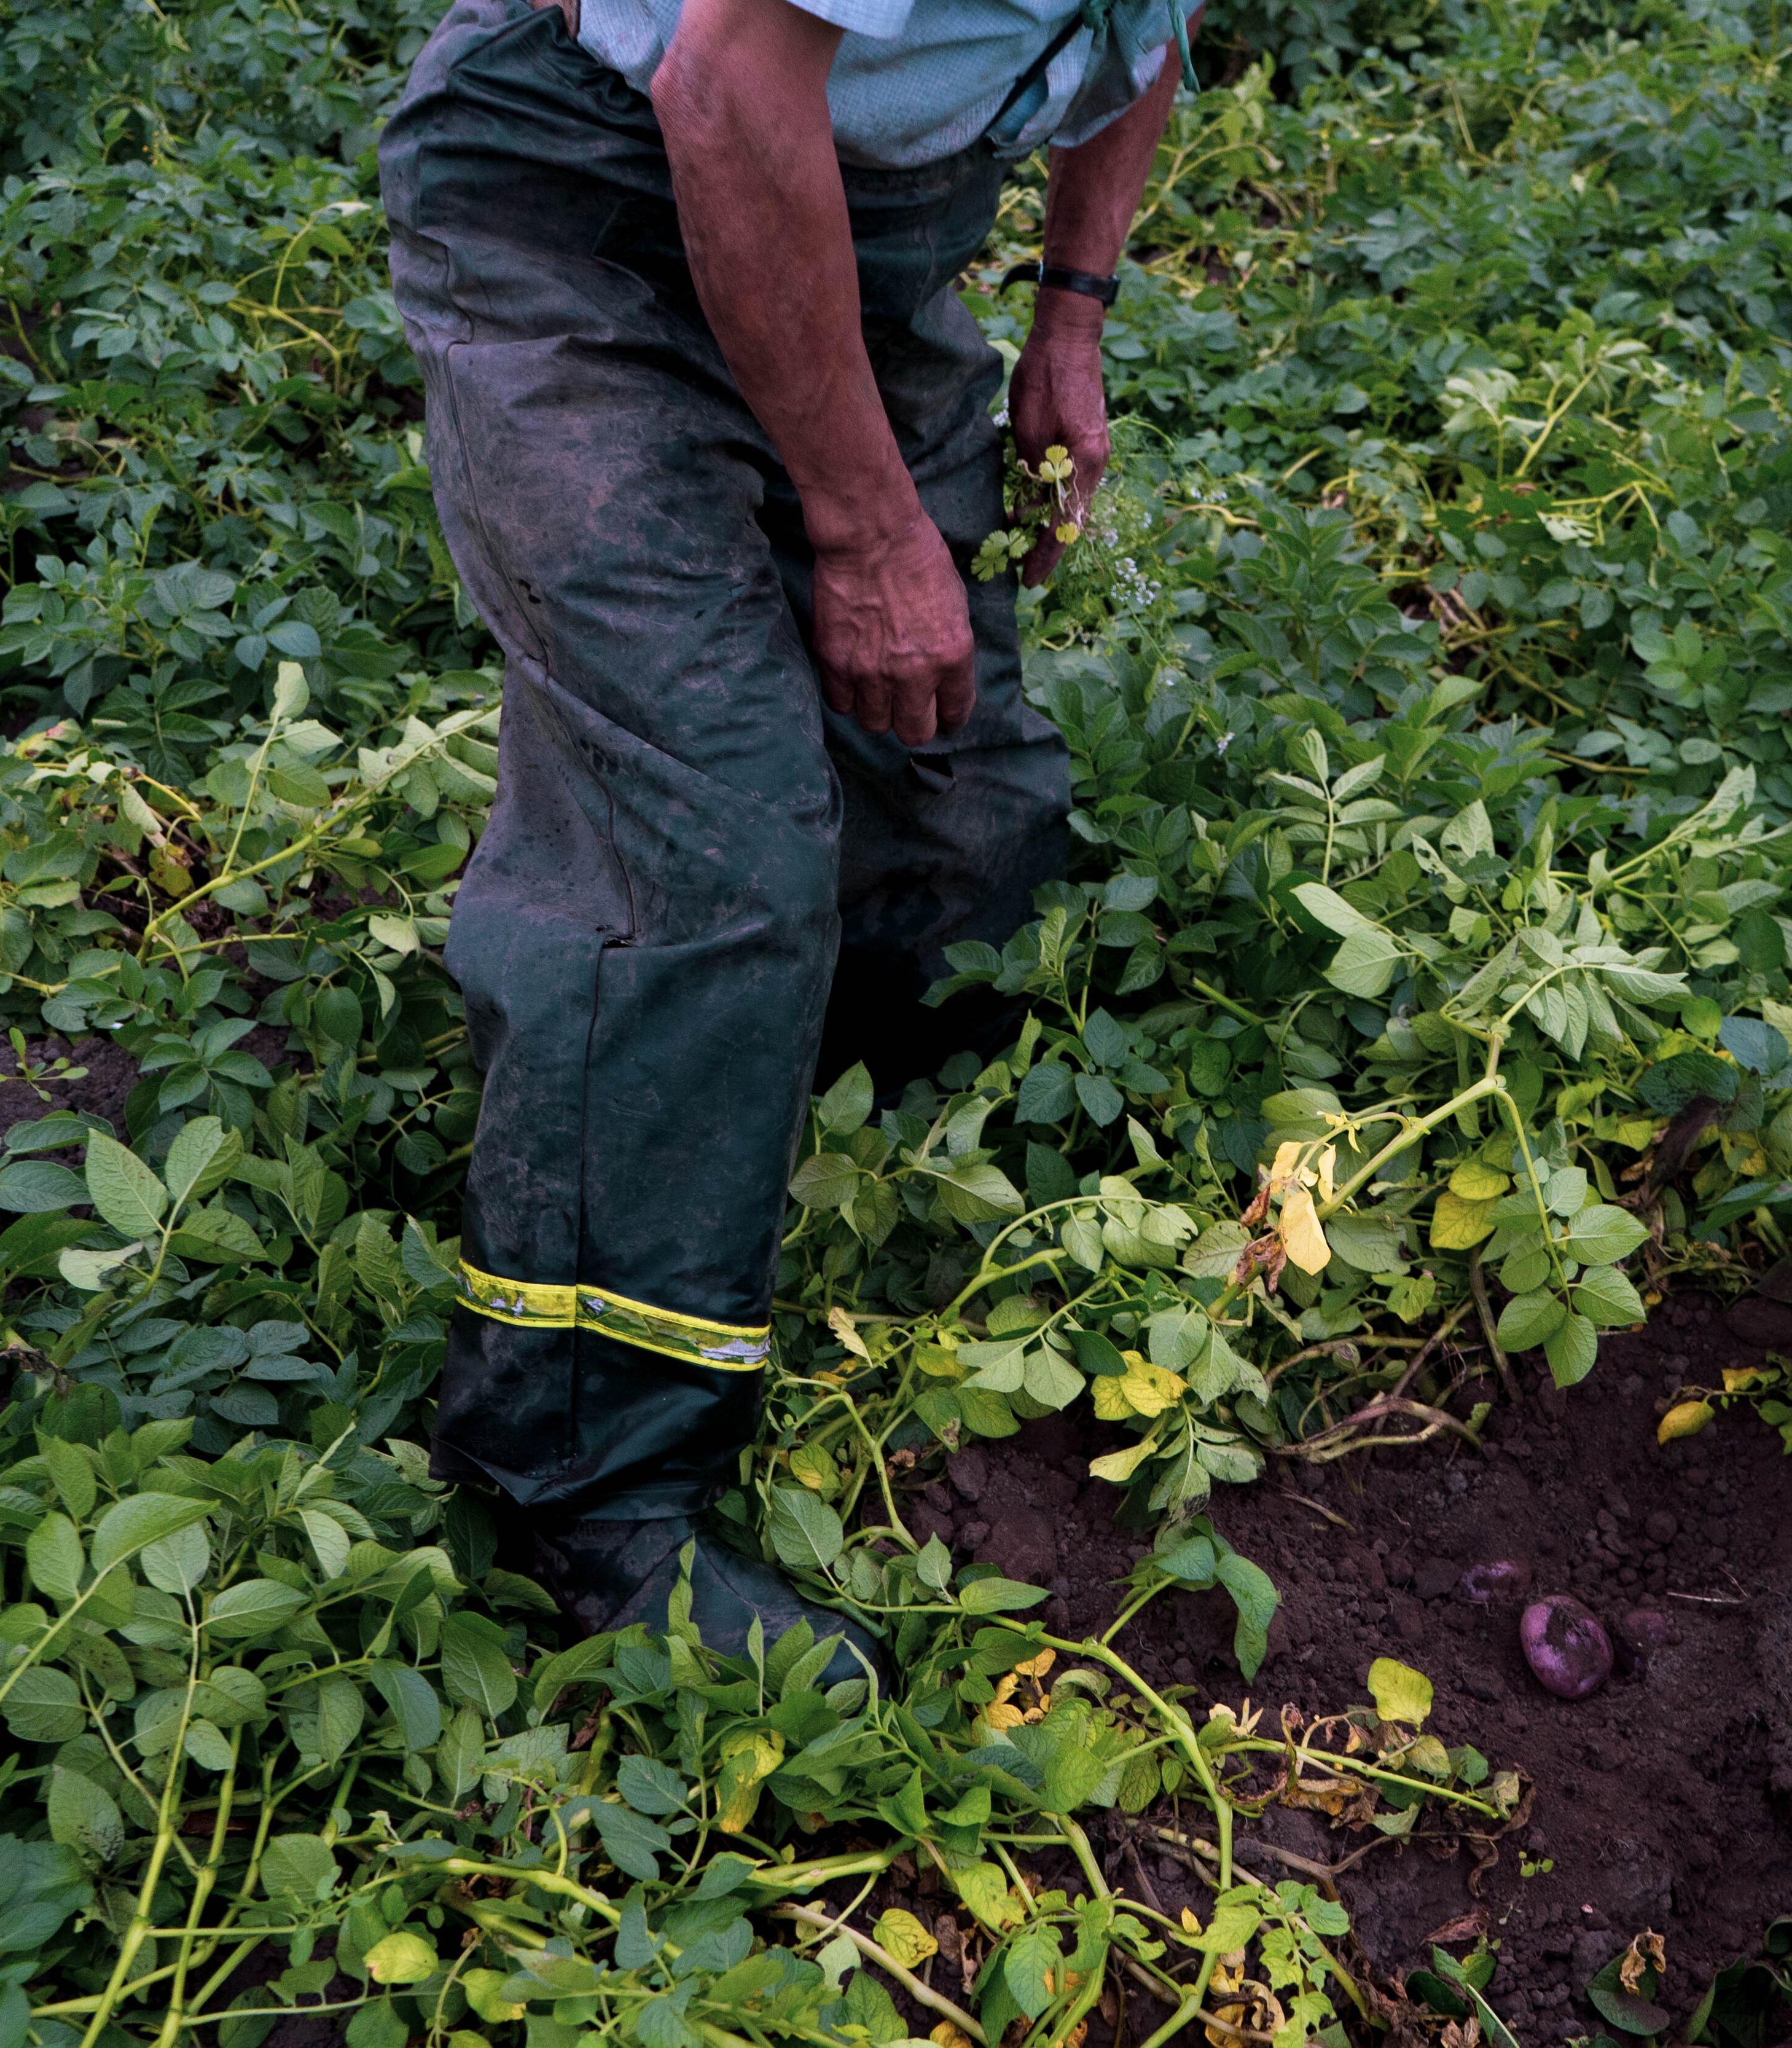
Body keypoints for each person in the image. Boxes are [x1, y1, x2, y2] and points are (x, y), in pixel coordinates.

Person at [378, 0, 1194, 1668]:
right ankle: (574, 1497)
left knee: (956, 802)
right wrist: (866, 526)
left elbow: (1156, 23)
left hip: (861, 225)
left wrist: (1074, 312)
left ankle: (848, 1175)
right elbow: (729, 92)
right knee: (709, 844)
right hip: (591, 204)